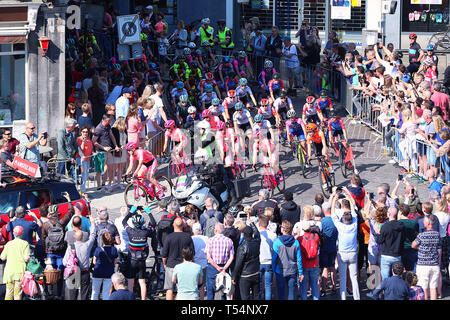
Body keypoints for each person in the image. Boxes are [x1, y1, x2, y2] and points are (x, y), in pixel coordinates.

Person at [330, 188, 360, 300]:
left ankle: (343, 298)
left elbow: (332, 213)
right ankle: (357, 298)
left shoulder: (340, 226)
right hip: (352, 253)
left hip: (342, 253)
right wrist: (349, 197)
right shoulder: (354, 225)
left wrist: (334, 199)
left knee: (342, 278)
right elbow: (354, 212)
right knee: (354, 277)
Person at [121, 206, 156, 300]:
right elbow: (153, 223)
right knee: (142, 282)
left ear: (133, 223)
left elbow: (124, 221)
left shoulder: (130, 231)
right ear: (142, 223)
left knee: (130, 282)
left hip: (132, 260)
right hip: (141, 260)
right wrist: (148, 212)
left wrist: (131, 212)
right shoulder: (145, 232)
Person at [162, 217, 195, 300]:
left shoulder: (169, 237)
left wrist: (165, 264)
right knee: (183, 289)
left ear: (173, 225)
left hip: (171, 264)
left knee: (169, 289)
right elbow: (192, 252)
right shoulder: (187, 237)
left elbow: (164, 254)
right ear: (183, 225)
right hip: (184, 265)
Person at [412, 215, 441, 300]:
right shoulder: (437, 235)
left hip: (423, 265)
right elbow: (439, 249)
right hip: (434, 264)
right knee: (433, 288)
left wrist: (420, 248)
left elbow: (413, 245)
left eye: (424, 221)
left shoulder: (422, 235)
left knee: (424, 288)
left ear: (428, 223)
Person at [272, 220, 303, 300]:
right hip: (292, 270)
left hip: (280, 270)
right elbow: (299, 258)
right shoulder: (296, 242)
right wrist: (300, 272)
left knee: (281, 292)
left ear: (283, 229)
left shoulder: (277, 242)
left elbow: (274, 257)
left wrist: (273, 269)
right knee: (291, 292)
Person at [63, 229, 97, 300]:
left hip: (74, 272)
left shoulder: (70, 247)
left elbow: (64, 262)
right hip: (85, 271)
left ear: (74, 237)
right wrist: (93, 224)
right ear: (83, 237)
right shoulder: (87, 245)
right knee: (84, 293)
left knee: (72, 293)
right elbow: (93, 237)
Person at [205, 223, 234, 300]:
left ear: (215, 230)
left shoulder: (210, 240)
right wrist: (224, 267)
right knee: (224, 291)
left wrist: (217, 267)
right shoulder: (229, 241)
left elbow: (208, 257)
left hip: (212, 267)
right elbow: (231, 257)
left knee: (210, 291)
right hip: (224, 266)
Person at [232, 222, 261, 300]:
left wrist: (234, 277)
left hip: (245, 276)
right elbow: (257, 233)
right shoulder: (257, 242)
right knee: (256, 295)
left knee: (245, 297)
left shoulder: (242, 247)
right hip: (256, 273)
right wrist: (251, 223)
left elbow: (238, 263)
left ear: (244, 234)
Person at [92, 114, 121, 192]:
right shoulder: (98, 129)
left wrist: (116, 145)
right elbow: (94, 141)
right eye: (110, 120)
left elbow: (111, 135)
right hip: (101, 152)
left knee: (111, 168)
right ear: (106, 120)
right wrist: (103, 147)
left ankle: (108, 184)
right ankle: (99, 186)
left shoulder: (108, 126)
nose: (111, 121)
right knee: (100, 170)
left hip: (109, 151)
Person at [0, 226, 30, 300]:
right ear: (22, 234)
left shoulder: (8, 244)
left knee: (9, 293)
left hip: (9, 272)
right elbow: (26, 259)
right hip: (19, 272)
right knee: (17, 294)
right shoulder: (25, 243)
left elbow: (2, 257)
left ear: (13, 233)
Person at [377, 207, 406, 281]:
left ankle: (386, 292)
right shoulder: (402, 226)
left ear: (389, 214)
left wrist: (378, 233)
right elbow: (403, 239)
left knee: (385, 279)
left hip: (386, 255)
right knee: (397, 277)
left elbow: (379, 241)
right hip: (397, 254)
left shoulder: (385, 226)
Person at [296, 221, 321, 300]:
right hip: (314, 264)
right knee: (314, 285)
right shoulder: (316, 236)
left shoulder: (300, 239)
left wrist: (298, 234)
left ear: (303, 229)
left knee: (303, 286)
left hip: (304, 265)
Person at [91, 231, 118, 300]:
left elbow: (94, 262)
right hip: (109, 273)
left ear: (102, 240)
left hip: (98, 272)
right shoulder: (114, 249)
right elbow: (115, 261)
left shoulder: (98, 249)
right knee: (106, 293)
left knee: (95, 292)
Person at [319, 201, 338, 297]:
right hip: (333, 246)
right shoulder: (335, 220)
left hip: (324, 248)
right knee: (332, 267)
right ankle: (334, 287)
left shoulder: (322, 222)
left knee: (325, 268)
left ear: (323, 210)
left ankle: (324, 289)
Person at [257, 215, 276, 300]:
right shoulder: (273, 235)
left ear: (259, 224)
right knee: (268, 285)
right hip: (269, 261)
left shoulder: (257, 235)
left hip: (260, 261)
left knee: (259, 285)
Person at [397, 204, 419, 272]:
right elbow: (417, 234)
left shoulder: (398, 223)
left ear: (400, 212)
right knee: (411, 270)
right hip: (411, 248)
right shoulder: (414, 222)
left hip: (401, 249)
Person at [191, 222, 208, 300]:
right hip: (204, 264)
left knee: (193, 285)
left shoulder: (191, 239)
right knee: (202, 286)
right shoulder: (206, 238)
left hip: (193, 264)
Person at [76, 126, 93, 197]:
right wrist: (83, 141)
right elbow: (80, 150)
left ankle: (83, 190)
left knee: (85, 175)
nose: (85, 133)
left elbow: (90, 149)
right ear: (81, 132)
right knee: (83, 175)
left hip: (87, 160)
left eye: (86, 132)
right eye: (83, 132)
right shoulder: (78, 139)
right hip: (81, 160)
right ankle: (82, 191)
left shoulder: (89, 140)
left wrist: (93, 153)